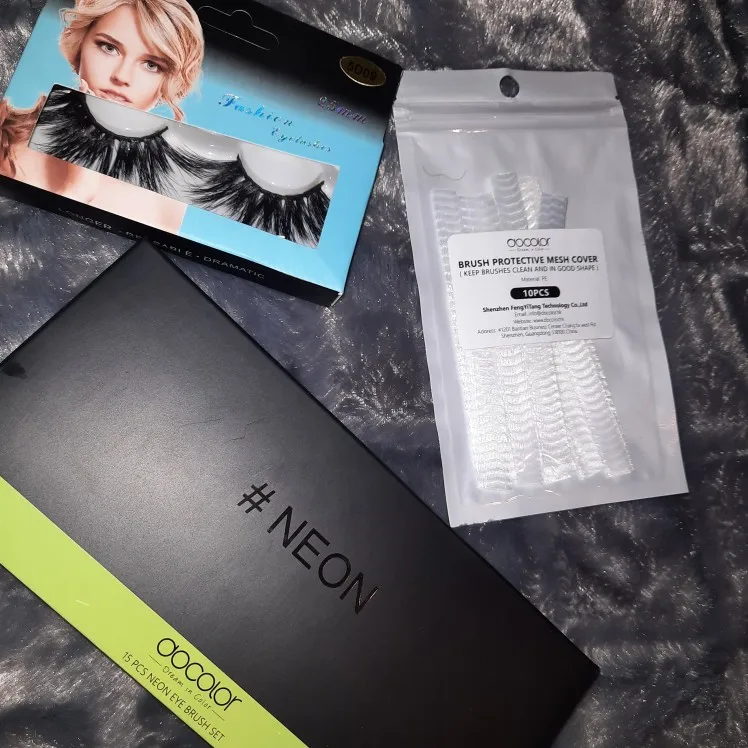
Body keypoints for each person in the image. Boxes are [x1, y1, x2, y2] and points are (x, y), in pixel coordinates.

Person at [0, 0, 204, 232]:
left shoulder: (169, 192)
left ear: (170, 79)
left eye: (151, 65)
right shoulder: (7, 135)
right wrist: (76, 191)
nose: (121, 76)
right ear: (80, 44)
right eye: (109, 48)